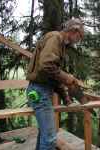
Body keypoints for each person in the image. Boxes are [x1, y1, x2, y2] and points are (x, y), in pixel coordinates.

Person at [26, 18, 84, 150]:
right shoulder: (55, 38)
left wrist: (66, 98)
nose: (79, 39)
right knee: (50, 139)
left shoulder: (61, 44)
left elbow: (53, 77)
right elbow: (46, 65)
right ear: (73, 31)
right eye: (79, 36)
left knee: (45, 136)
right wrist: (67, 77)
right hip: (39, 90)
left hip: (43, 90)